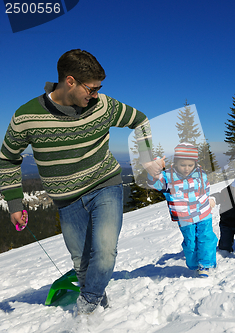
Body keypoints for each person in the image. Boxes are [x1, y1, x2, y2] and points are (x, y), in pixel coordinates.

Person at [0, 49, 158, 314]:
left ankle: (87, 307)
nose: (95, 95)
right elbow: (7, 159)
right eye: (91, 89)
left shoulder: (104, 106)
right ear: (70, 81)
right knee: (82, 264)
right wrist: (15, 203)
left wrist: (147, 157)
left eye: (98, 88)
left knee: (105, 251)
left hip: (105, 184)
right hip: (66, 201)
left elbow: (140, 121)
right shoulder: (26, 116)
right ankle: (99, 308)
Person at [147, 143, 218, 277]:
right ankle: (193, 263)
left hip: (203, 213)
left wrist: (209, 199)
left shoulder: (201, 174)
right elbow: (154, 183)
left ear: (195, 164)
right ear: (176, 163)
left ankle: (205, 264)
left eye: (190, 165)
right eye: (183, 165)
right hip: (185, 218)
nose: (186, 168)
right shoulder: (168, 177)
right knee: (190, 242)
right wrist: (155, 169)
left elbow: (206, 189)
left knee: (206, 237)